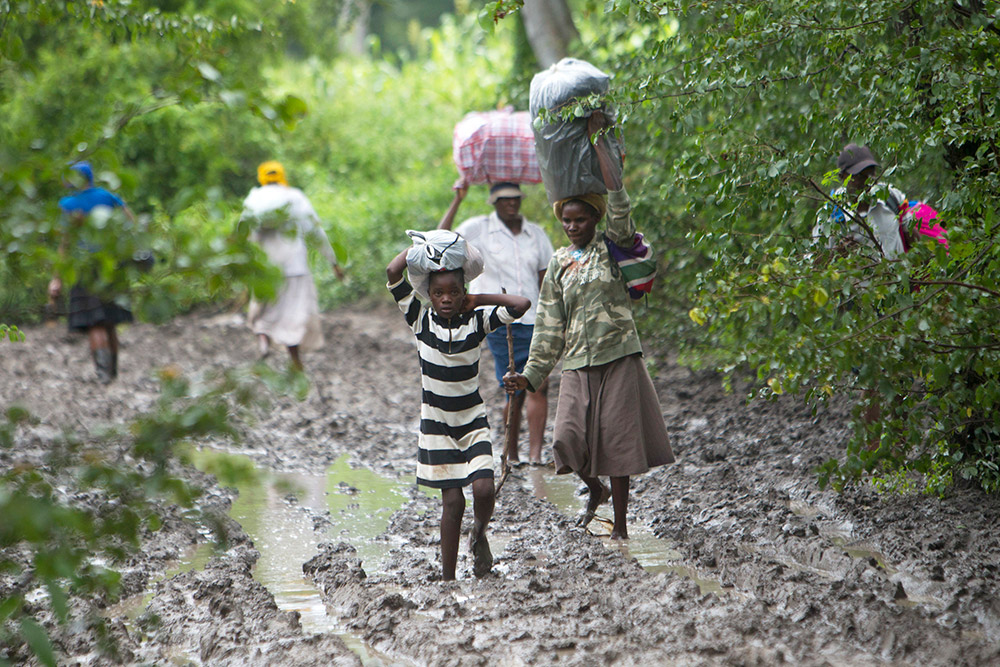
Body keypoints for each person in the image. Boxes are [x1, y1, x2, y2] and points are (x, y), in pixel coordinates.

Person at [503, 112, 674, 540]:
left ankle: (620, 528)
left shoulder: (612, 246)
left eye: (580, 220)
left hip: (618, 358)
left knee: (618, 447)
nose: (573, 226)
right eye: (567, 220)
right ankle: (592, 490)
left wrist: (598, 139)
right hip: (578, 361)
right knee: (566, 441)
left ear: (594, 220)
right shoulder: (560, 262)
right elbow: (548, 324)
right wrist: (529, 375)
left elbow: (618, 198)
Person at [386, 245, 530, 580]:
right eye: (438, 293)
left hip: (472, 421)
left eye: (454, 292)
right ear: (429, 295)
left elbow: (521, 305)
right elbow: (394, 274)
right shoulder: (420, 319)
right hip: (437, 425)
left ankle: (479, 534)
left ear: (464, 292)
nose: (446, 299)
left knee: (482, 489)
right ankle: (448, 578)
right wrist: (420, 248)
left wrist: (479, 300)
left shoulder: (477, 321)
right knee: (452, 503)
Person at [439, 182, 554, 465]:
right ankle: (511, 453)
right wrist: (458, 198)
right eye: (504, 199)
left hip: (535, 317)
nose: (511, 204)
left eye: (515, 198)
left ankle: (536, 456)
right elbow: (440, 239)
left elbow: (546, 279)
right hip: (500, 320)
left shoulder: (535, 234)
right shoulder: (478, 229)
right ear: (493, 202)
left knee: (541, 384)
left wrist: (555, 317)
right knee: (513, 387)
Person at [241, 161, 344, 371]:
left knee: (262, 310)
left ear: (262, 178)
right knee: (294, 316)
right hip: (294, 267)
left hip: (265, 269)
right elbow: (315, 231)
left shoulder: (254, 200)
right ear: (282, 177)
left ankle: (262, 339)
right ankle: (296, 362)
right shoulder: (294, 197)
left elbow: (245, 234)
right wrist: (333, 261)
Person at [48, 161, 136, 384]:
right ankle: (113, 373)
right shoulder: (109, 197)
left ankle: (103, 376)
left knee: (94, 324)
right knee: (110, 322)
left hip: (84, 269)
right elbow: (130, 222)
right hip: (111, 266)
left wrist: (57, 278)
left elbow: (65, 244)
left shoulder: (68, 204)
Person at [812, 143, 907, 261]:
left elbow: (911, 234)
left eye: (871, 173)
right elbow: (814, 264)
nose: (868, 180)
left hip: (898, 278)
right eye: (860, 175)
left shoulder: (889, 197)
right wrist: (835, 254)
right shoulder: (831, 214)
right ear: (842, 177)